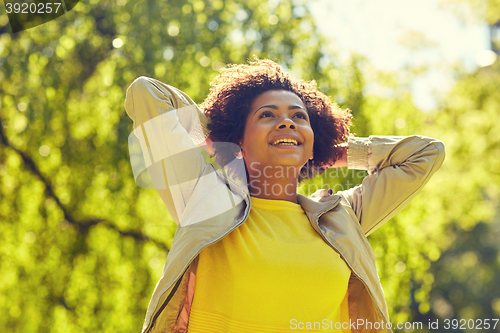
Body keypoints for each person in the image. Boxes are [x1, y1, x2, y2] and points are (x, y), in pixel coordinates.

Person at [125, 58, 445, 333]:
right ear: (240, 136)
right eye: (267, 115)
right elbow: (147, 94)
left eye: (299, 117)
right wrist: (221, 134)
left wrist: (326, 153)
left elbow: (426, 154)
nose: (287, 122)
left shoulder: (343, 217)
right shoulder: (202, 197)